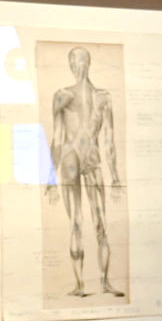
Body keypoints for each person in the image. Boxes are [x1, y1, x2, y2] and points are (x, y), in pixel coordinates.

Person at [48, 46, 126, 298]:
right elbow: (108, 141)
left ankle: (82, 285)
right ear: (88, 63)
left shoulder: (63, 95)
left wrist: (50, 178)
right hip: (88, 157)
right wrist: (115, 177)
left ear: (72, 65)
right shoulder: (102, 97)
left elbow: (58, 138)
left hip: (71, 158)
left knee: (78, 223)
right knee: (97, 223)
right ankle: (101, 283)